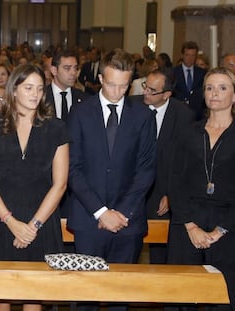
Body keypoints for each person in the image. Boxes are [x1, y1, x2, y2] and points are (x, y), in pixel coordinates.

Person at [67, 48, 156, 311]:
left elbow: (146, 169)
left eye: (124, 86)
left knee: (121, 295)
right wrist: (101, 212)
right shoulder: (80, 113)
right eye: (111, 84)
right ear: (100, 79)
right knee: (85, 296)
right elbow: (72, 168)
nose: (117, 92)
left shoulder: (143, 116)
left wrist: (121, 212)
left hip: (128, 222)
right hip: (88, 218)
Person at [0, 64, 69, 311]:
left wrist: (33, 226)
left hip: (42, 215)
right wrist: (11, 222)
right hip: (1, 215)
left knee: (34, 293)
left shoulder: (56, 128)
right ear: (14, 89)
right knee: (1, 292)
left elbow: (60, 184)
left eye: (39, 89)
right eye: (28, 88)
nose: (34, 94)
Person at [167, 67, 235, 311]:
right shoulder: (188, 132)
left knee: (225, 299)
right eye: (209, 88)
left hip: (228, 225)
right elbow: (175, 180)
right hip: (188, 221)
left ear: (234, 96)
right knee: (181, 296)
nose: (214, 93)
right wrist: (191, 226)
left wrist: (219, 230)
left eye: (222, 88)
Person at [137, 69, 195, 264]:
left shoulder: (183, 116)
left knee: (160, 251)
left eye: (152, 90)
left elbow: (182, 161)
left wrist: (171, 194)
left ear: (167, 94)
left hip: (163, 191)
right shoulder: (132, 106)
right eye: (145, 86)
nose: (145, 92)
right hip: (132, 190)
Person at [45, 50, 89, 217]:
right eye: (67, 68)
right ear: (54, 70)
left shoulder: (85, 100)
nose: (73, 73)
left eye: (75, 68)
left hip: (76, 176)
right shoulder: (40, 98)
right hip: (46, 174)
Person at [172, 41, 206, 120]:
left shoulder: (202, 73)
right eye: (187, 55)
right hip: (178, 110)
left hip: (197, 113)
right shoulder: (174, 72)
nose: (190, 58)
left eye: (193, 55)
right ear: (182, 55)